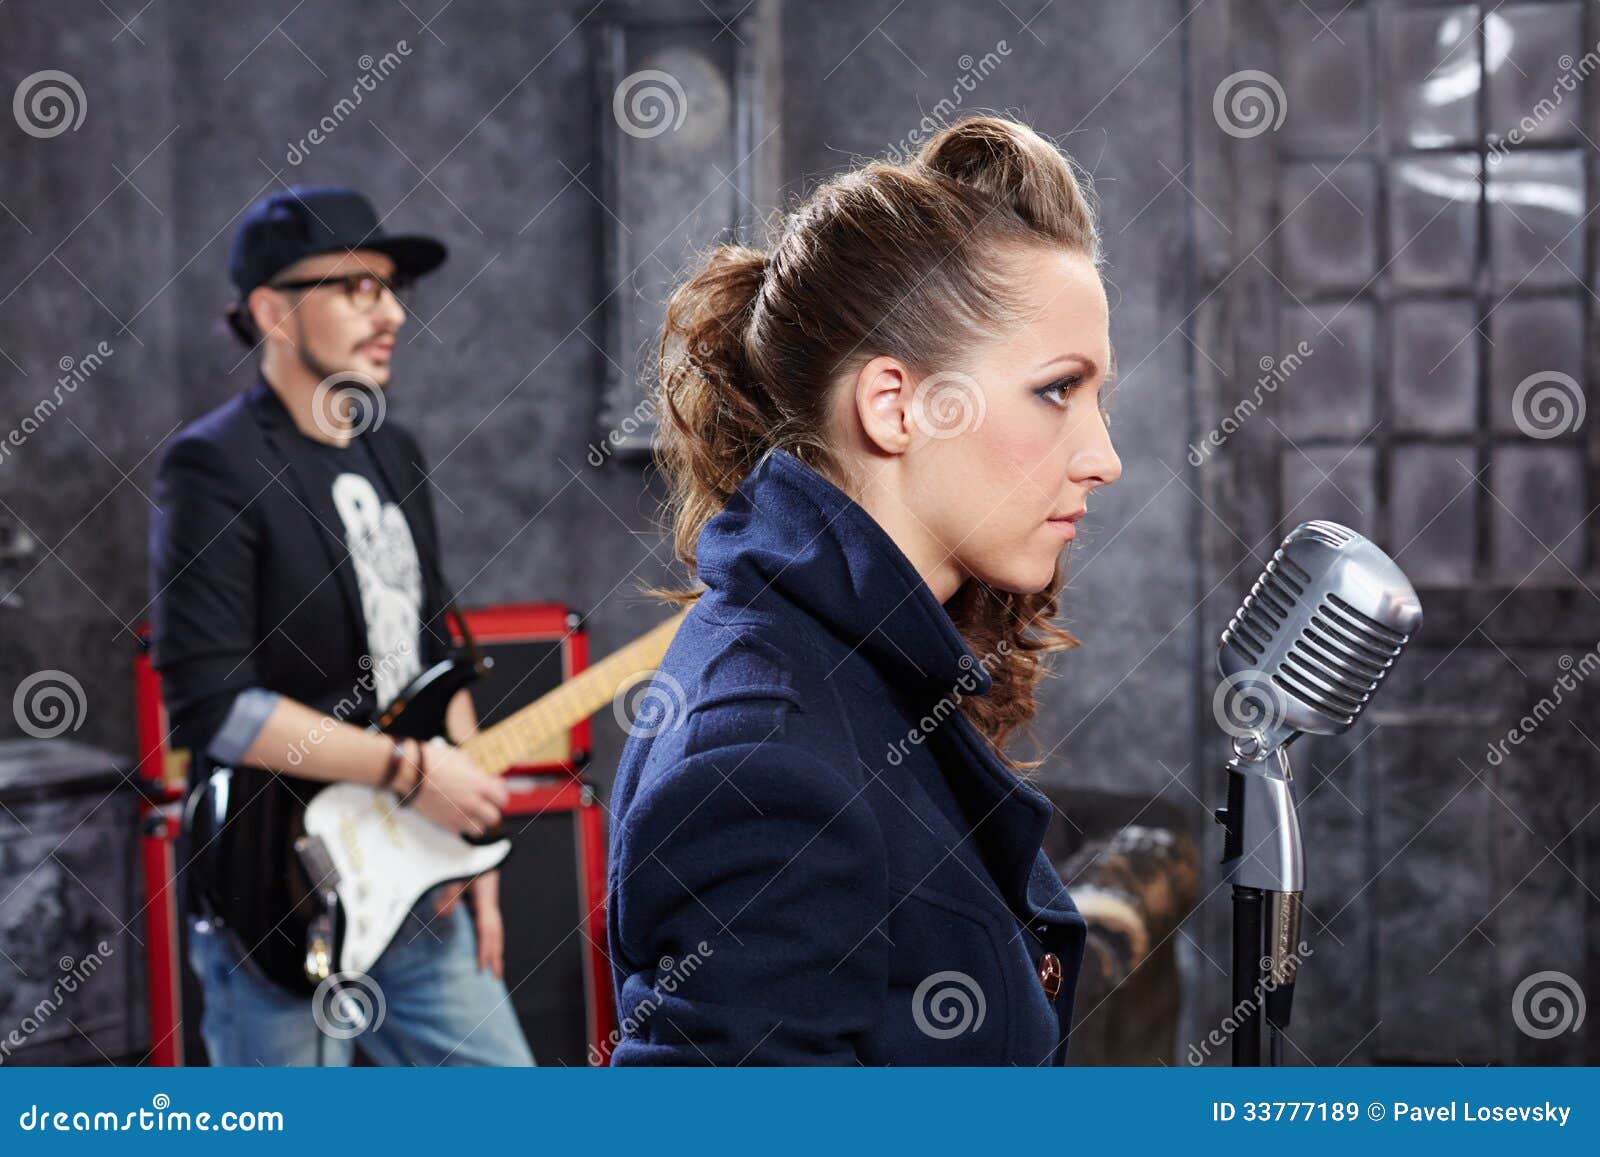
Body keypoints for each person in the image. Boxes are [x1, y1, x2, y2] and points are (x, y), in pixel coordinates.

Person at [606, 114, 1123, 1064]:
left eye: (1098, 397)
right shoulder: (764, 765)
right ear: (895, 406)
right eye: (1058, 390)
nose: (1104, 457)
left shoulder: (863, 666)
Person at [148, 185, 533, 1066]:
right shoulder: (213, 464)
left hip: (419, 874)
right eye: (357, 287)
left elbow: (436, 654)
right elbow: (214, 707)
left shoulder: (394, 451)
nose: (391, 312)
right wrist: (410, 770)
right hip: (280, 889)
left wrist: (469, 843)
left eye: (392, 288)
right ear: (272, 313)